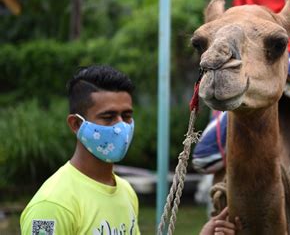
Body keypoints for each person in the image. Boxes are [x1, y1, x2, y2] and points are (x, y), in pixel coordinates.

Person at [20, 64, 237, 235]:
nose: (120, 126)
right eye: (108, 117)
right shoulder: (53, 205)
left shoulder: (125, 191)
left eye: (126, 116)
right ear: (76, 125)